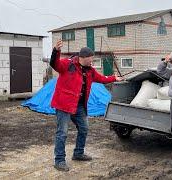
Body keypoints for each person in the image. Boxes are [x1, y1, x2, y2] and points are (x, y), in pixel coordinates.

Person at [50, 40, 123, 171]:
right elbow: (54, 64)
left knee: (84, 128)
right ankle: (59, 160)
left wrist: (113, 78)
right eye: (90, 60)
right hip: (64, 105)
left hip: (79, 106)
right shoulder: (68, 64)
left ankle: (78, 153)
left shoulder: (90, 71)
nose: (92, 62)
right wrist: (56, 51)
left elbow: (101, 78)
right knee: (62, 133)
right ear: (82, 58)